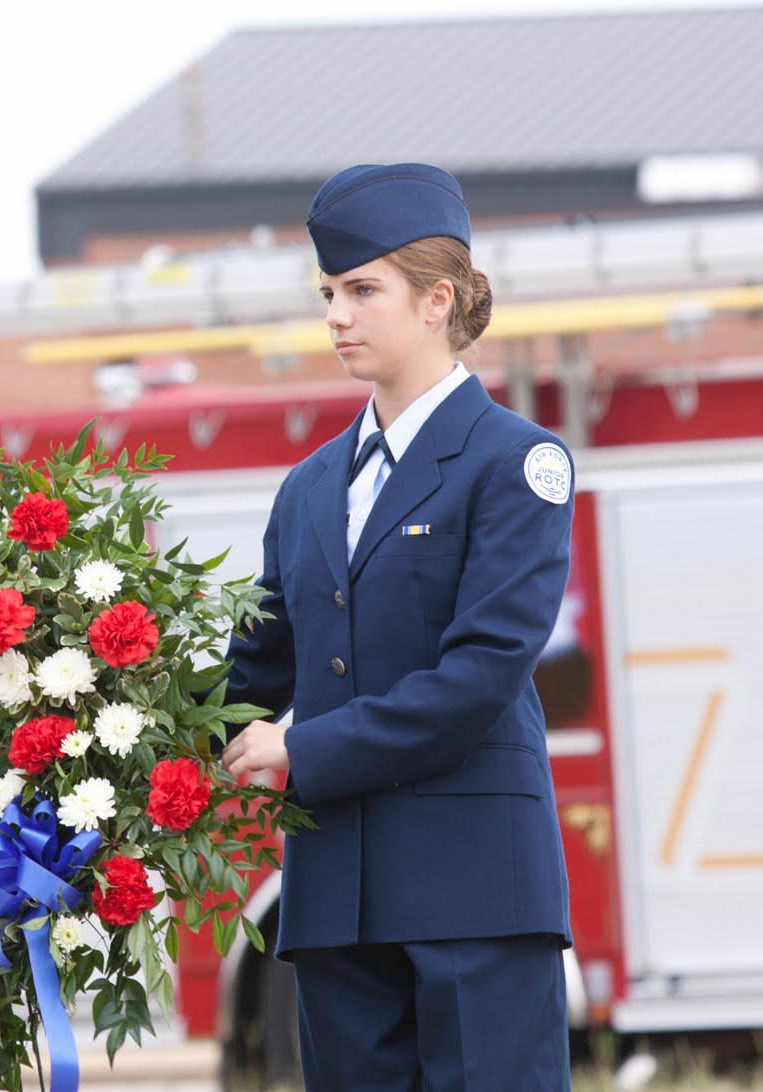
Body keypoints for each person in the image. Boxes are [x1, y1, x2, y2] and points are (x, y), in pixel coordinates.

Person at [220, 162, 576, 1091]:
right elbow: (251, 678)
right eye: (329, 292)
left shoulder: (517, 463)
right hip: (336, 892)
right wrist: (94, 720)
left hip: (474, 892)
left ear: (438, 300)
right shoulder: (307, 488)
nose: (336, 314)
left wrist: (300, 754)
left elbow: (480, 675)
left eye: (363, 290)